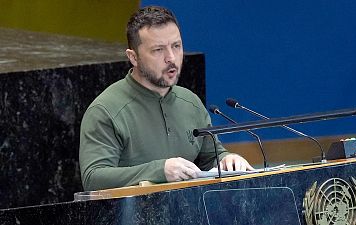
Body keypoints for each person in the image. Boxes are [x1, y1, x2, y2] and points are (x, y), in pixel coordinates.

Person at [79, 6, 253, 191]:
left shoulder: (190, 102)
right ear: (133, 57)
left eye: (176, 46)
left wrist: (227, 160)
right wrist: (159, 171)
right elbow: (94, 178)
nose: (171, 58)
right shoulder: (105, 111)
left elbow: (210, 157)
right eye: (158, 50)